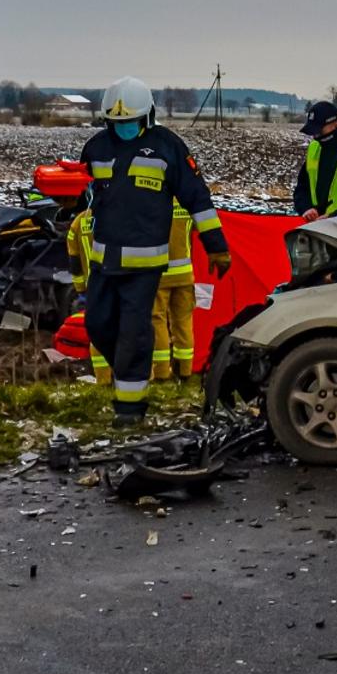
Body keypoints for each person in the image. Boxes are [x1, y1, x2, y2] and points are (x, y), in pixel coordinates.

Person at [79, 76, 231, 425]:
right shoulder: (97, 148)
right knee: (98, 324)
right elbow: (86, 190)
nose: (123, 129)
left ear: (146, 117)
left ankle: (130, 409)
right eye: (117, 124)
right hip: (104, 260)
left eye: (130, 123)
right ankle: (127, 369)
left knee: (135, 330)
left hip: (146, 264)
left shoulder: (168, 147)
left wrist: (216, 247)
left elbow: (198, 200)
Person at [62, 184, 111, 384]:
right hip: (120, 283)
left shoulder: (79, 223)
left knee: (98, 335)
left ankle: (103, 379)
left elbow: (74, 262)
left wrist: (81, 289)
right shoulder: (120, 218)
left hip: (94, 288)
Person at [151, 201, 197, 383]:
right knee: (184, 323)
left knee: (157, 321)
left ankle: (161, 374)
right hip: (185, 275)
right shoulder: (187, 203)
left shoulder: (152, 200)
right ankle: (184, 372)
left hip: (158, 274)